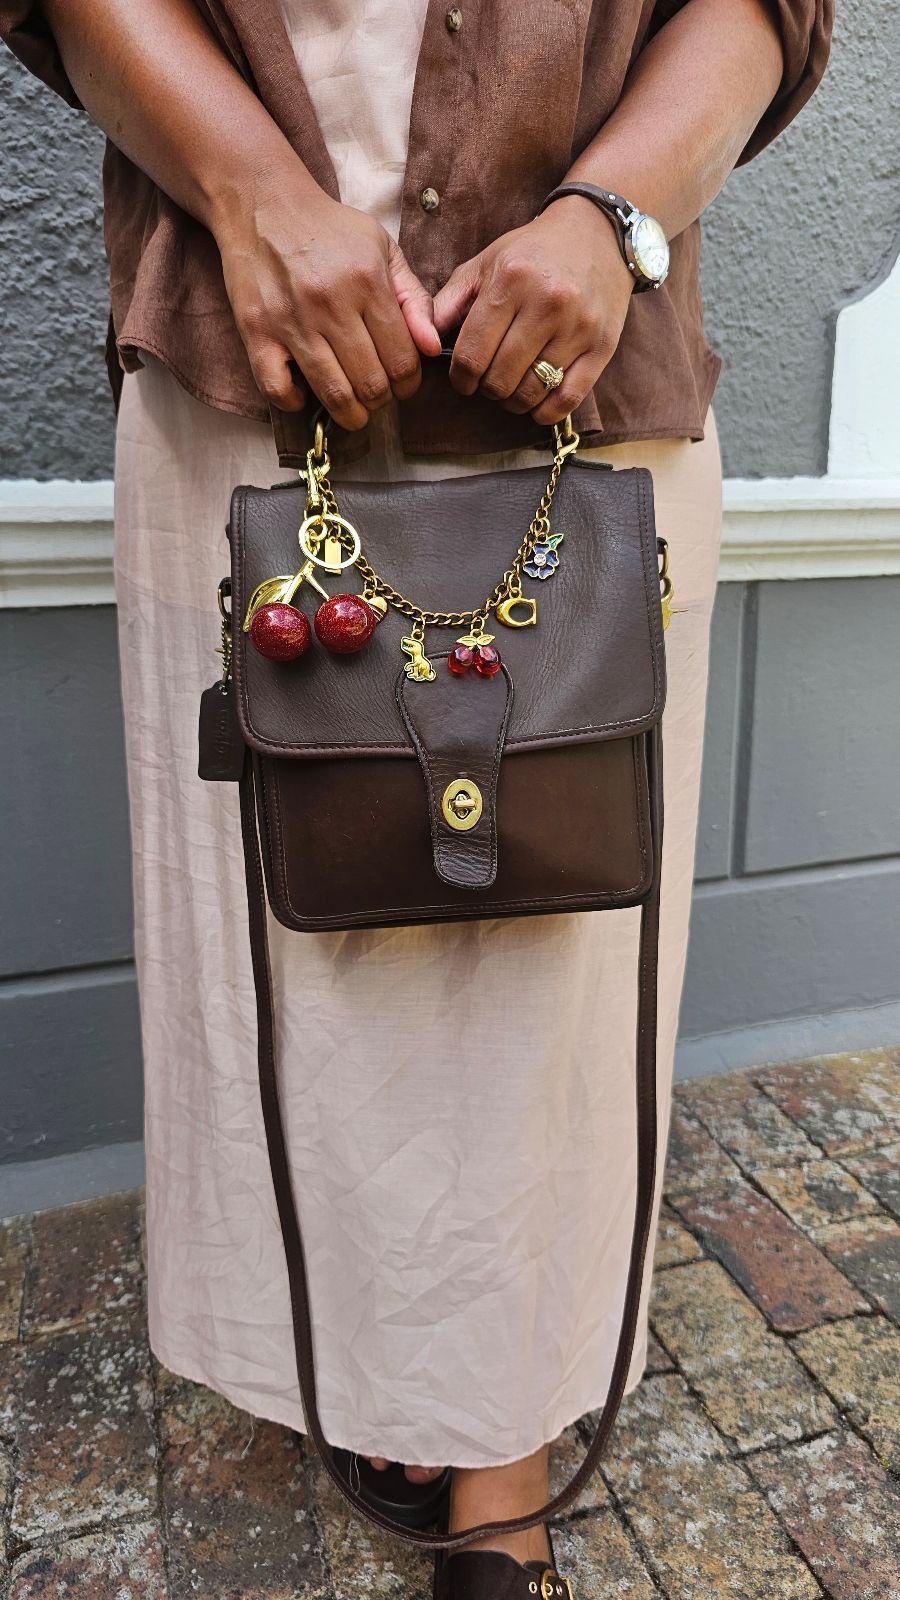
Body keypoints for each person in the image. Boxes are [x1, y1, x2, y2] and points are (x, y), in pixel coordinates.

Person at [1, 0, 832, 1590]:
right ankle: (368, 1353)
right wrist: (250, 190)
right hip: (253, 365)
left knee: (553, 969)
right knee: (303, 951)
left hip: (587, 371)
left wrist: (614, 217)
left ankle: (497, 1440)